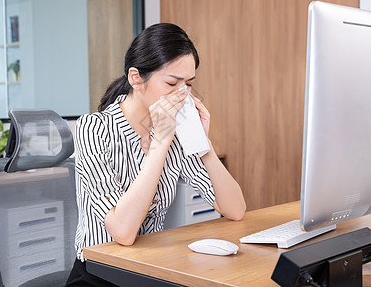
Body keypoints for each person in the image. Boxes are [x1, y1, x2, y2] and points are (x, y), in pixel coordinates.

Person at [66, 23, 246, 286]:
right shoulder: (93, 129)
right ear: (136, 78)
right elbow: (124, 232)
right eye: (172, 83)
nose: (183, 95)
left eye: (189, 84)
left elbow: (235, 209)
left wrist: (202, 143)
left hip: (149, 270)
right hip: (99, 274)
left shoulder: (177, 131)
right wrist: (160, 141)